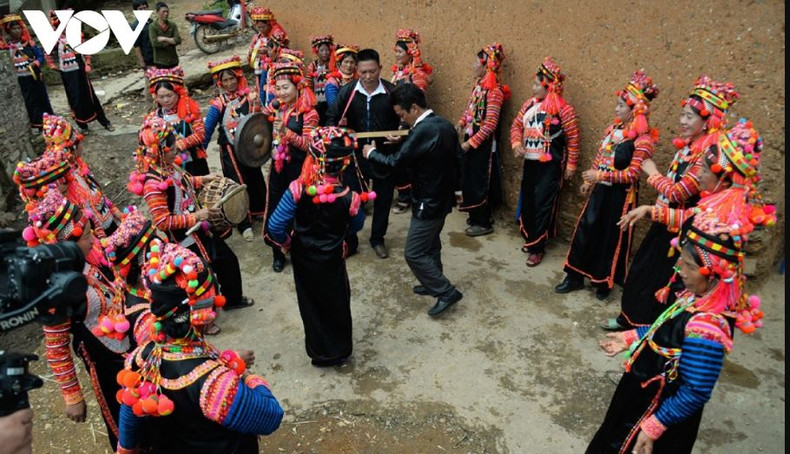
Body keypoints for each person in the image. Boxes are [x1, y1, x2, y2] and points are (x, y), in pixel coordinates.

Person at [588, 121, 774, 453]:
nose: (697, 171)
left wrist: (656, 423)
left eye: (705, 166)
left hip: (654, 415)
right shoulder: (694, 297)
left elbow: (696, 389)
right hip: (646, 394)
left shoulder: (706, 327)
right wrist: (633, 336)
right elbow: (669, 330)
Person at [115, 241, 284, 454]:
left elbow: (130, 414)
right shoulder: (216, 386)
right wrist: (248, 376)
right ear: (203, 314)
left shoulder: (140, 360)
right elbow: (270, 416)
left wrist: (126, 449)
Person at [602, 76, 740, 330]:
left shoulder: (706, 157)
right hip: (665, 219)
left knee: (659, 278)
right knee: (643, 271)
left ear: (708, 121)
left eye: (689, 117)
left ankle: (644, 328)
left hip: (681, 230)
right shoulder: (690, 147)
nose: (682, 121)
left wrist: (652, 173)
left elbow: (678, 192)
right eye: (683, 115)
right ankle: (631, 320)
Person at [23, 189, 129, 449]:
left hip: (127, 344)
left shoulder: (86, 261)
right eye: (86, 235)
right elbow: (56, 348)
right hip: (105, 361)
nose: (94, 237)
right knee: (124, 415)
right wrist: (72, 397)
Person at [131, 114, 255, 325]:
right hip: (184, 240)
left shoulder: (169, 167)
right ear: (160, 150)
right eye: (172, 146)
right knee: (198, 279)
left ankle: (232, 299)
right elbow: (162, 222)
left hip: (201, 228)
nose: (177, 148)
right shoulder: (152, 184)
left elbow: (185, 182)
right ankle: (204, 321)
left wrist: (204, 179)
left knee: (227, 261)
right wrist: (195, 216)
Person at [555, 71, 659, 300]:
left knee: (610, 239)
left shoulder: (642, 140)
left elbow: (632, 175)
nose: (617, 109)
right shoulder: (614, 131)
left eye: (621, 105)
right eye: (617, 104)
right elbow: (601, 156)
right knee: (585, 230)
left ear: (635, 110)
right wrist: (587, 181)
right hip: (601, 191)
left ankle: (603, 282)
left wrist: (598, 174)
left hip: (620, 198)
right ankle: (573, 276)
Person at [362, 83, 463, 317]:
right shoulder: (444, 125)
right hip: (442, 197)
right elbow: (458, 158)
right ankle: (433, 282)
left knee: (414, 252)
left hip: (428, 200)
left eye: (402, 114)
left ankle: (445, 291)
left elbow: (397, 162)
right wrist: (458, 190)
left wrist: (372, 153)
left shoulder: (423, 131)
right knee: (431, 243)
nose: (402, 119)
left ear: (414, 107)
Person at [268, 126, 364, 366]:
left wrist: (288, 243)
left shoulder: (297, 190)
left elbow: (275, 226)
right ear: (343, 164)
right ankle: (340, 351)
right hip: (333, 256)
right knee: (337, 300)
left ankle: (320, 353)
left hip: (303, 256)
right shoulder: (350, 196)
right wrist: (340, 236)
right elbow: (357, 226)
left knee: (311, 302)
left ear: (313, 158)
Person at [325, 48, 401, 259]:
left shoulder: (391, 92)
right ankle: (351, 240)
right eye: (363, 72)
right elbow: (331, 118)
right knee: (351, 200)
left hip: (383, 156)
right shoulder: (347, 92)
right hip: (354, 159)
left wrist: (399, 137)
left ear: (380, 69)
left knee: (384, 199)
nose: (368, 77)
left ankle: (378, 239)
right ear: (356, 70)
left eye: (373, 71)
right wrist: (339, 135)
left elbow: (404, 120)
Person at [511, 56, 580, 267]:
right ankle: (532, 239)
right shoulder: (529, 105)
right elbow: (516, 126)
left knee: (543, 205)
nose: (532, 88)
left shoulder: (564, 110)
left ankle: (537, 248)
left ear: (548, 86)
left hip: (551, 166)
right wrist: (515, 144)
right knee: (530, 202)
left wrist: (570, 166)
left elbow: (573, 138)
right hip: (531, 163)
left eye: (536, 84)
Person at [262, 61, 319, 272]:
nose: (281, 92)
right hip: (279, 168)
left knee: (300, 211)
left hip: (300, 169)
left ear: (298, 87)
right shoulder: (277, 108)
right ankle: (278, 252)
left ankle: (300, 251)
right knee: (275, 208)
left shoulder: (309, 113)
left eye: (286, 87)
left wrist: (286, 132)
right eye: (277, 88)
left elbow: (308, 145)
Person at [203, 55, 265, 241]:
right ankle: (243, 223)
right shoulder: (218, 104)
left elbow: (259, 120)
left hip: (249, 148)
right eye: (225, 80)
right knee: (237, 183)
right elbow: (207, 129)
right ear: (220, 83)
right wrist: (201, 150)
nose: (230, 83)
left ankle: (259, 210)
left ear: (238, 78)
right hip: (230, 151)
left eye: (232, 79)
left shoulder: (249, 96)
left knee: (255, 178)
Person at [456, 43, 509, 236]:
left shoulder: (495, 92)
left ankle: (483, 222)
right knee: (470, 178)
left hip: (483, 145)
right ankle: (475, 215)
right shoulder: (478, 86)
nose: (473, 66)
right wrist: (461, 123)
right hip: (472, 139)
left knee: (481, 181)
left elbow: (490, 125)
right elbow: (470, 109)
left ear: (486, 65)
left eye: (475, 62)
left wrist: (470, 143)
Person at [44, 10, 114, 132]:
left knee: (90, 96)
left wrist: (87, 63)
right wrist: (52, 65)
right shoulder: (55, 40)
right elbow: (47, 52)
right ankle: (82, 125)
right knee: (74, 99)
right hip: (67, 74)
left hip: (80, 72)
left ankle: (104, 122)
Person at [390, 28, 432, 215]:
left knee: (408, 161)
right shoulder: (399, 72)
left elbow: (415, 104)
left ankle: (406, 198)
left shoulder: (418, 75)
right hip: (399, 121)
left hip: (409, 124)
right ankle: (404, 194)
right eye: (396, 52)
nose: (397, 55)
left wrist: (403, 126)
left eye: (400, 52)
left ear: (410, 52)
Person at [148, 66, 209, 176]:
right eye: (161, 97)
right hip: (170, 166)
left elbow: (200, 134)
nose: (166, 100)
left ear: (178, 93)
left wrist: (180, 144)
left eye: (169, 95)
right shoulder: (154, 117)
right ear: (155, 97)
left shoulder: (190, 110)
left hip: (194, 162)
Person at [0, 14, 53, 132]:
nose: (17, 31)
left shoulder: (30, 43)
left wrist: (36, 63)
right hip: (21, 79)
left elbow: (40, 56)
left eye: (18, 28)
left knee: (41, 99)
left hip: (34, 77)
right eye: (14, 29)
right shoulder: (6, 47)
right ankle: (37, 124)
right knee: (30, 102)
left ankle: (48, 123)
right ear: (9, 31)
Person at [247, 7, 287, 106]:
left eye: (263, 27)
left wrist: (268, 52)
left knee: (271, 90)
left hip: (272, 69)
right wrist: (252, 53)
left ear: (269, 24)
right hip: (260, 68)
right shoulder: (258, 37)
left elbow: (281, 52)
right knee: (261, 88)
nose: (261, 30)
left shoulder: (277, 35)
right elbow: (251, 55)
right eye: (258, 27)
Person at [306, 34, 335, 124]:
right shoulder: (313, 66)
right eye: (322, 50)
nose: (325, 53)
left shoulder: (333, 65)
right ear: (316, 51)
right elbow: (309, 84)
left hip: (330, 102)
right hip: (317, 102)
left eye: (327, 50)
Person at [131, 0, 154, 103]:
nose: (143, 10)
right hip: (147, 59)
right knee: (150, 83)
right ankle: (150, 108)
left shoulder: (151, 22)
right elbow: (136, 45)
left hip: (156, 57)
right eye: (140, 9)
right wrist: (141, 61)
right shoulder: (135, 25)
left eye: (145, 8)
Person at [148, 2, 180, 69]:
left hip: (173, 60)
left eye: (167, 12)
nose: (166, 14)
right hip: (160, 61)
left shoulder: (172, 25)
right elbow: (155, 43)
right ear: (157, 12)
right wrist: (171, 41)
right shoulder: (152, 26)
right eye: (163, 12)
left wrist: (164, 39)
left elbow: (178, 40)